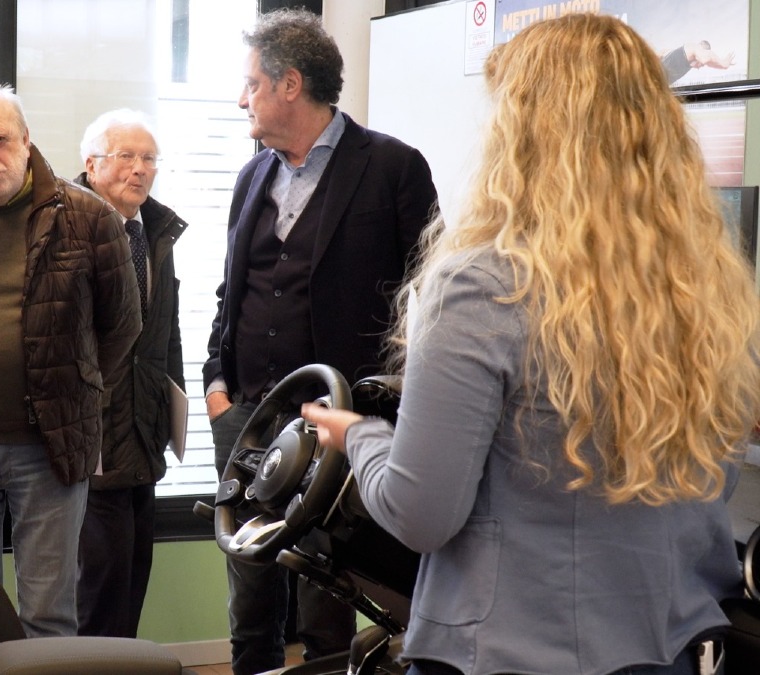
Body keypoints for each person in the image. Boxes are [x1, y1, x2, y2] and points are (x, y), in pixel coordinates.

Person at [302, 13, 757, 675]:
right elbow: (716, 476)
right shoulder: (706, 291)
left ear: (524, 134)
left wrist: (358, 436)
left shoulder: (485, 285)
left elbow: (421, 511)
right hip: (667, 648)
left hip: (511, 651)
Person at [202, 8, 438, 674]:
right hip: (249, 415)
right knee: (249, 590)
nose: (240, 98)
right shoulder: (253, 176)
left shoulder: (393, 167)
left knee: (328, 595)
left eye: (250, 83)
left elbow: (438, 291)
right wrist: (218, 384)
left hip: (342, 422)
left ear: (290, 84)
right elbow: (233, 289)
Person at [0, 84, 141, 637]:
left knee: (48, 615)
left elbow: (122, 327)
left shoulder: (90, 218)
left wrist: (71, 392)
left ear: (26, 140)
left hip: (50, 450)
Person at [73, 109, 188, 638]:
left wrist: (173, 414)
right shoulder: (67, 227)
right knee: (99, 590)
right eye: (126, 157)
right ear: (91, 164)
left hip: (144, 434)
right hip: (90, 443)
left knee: (132, 580)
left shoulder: (155, 231)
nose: (139, 169)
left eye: (148, 159)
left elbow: (166, 337)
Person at [661, 40, 736, 84]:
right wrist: (723, 64)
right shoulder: (694, 47)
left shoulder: (681, 55)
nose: (701, 66)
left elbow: (663, 52)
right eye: (703, 65)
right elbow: (706, 57)